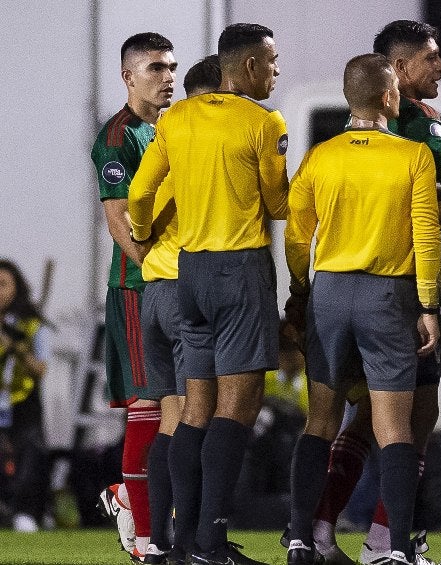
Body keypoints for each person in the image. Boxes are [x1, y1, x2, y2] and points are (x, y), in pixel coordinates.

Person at [304, 22, 441, 565]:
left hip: (333, 294)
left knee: (344, 418)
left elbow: (297, 223)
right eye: (430, 59)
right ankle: (386, 540)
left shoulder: (335, 144)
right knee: (411, 421)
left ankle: (317, 529)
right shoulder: (423, 130)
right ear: (397, 73)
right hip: (401, 295)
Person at [129, 23, 287, 565]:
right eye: (270, 62)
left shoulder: (175, 120)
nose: (275, 72)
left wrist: (145, 231)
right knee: (237, 410)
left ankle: (177, 544)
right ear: (247, 67)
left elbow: (140, 191)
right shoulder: (263, 122)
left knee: (193, 410)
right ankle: (213, 542)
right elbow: (276, 201)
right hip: (238, 268)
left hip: (187, 274)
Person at [283, 52, 441, 565]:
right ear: (388, 97)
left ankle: (302, 539)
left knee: (320, 422)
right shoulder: (412, 156)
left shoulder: (321, 156)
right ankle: (393, 550)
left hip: (328, 291)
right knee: (393, 428)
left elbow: (296, 235)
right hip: (387, 295)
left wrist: (302, 290)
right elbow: (425, 234)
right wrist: (428, 303)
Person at [90, 31, 177, 563]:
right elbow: (119, 221)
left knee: (179, 408)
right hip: (139, 288)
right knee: (147, 405)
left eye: (171, 67)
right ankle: (147, 538)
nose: (167, 76)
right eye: (155, 68)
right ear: (128, 76)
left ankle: (129, 496)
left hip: (174, 285)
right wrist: (159, 268)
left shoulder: (171, 126)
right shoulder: (118, 137)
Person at [136, 54, 221, 565]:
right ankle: (188, 542)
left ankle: (159, 543)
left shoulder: (162, 133)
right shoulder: (202, 138)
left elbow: (139, 194)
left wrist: (143, 235)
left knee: (170, 419)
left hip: (153, 290)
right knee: (198, 419)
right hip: (187, 289)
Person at [0, 259, 53, 534]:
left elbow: (40, 369)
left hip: (22, 404)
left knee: (29, 457)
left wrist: (18, 348)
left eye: (3, 284)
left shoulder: (32, 325)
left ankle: (27, 512)